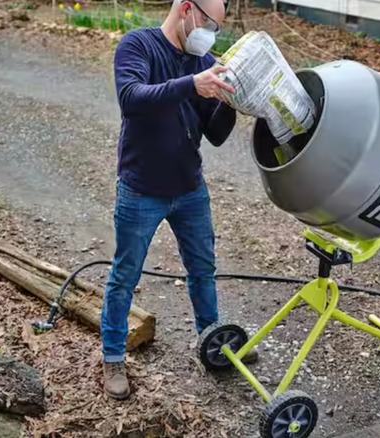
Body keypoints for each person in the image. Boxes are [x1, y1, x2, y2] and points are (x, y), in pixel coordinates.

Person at [101, 0, 257, 401]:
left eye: (217, 28)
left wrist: (232, 103)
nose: (210, 35)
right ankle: (113, 357)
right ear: (187, 9)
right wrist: (191, 84)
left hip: (189, 189)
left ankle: (213, 340)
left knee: (203, 269)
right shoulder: (138, 45)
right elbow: (131, 98)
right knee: (125, 275)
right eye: (209, 24)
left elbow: (215, 134)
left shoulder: (203, 61)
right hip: (141, 189)